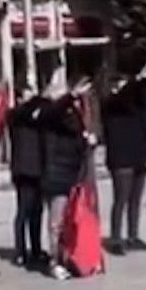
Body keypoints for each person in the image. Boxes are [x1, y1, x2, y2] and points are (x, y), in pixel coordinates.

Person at [38, 77, 92, 279]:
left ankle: (69, 256)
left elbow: (77, 135)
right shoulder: (49, 113)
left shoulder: (71, 114)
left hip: (72, 170)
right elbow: (55, 111)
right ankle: (55, 261)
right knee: (56, 221)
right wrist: (70, 96)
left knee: (71, 219)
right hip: (55, 172)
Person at [103, 65, 146, 252]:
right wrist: (137, 79)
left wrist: (144, 82)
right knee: (121, 199)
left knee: (135, 199)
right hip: (121, 158)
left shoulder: (134, 106)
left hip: (138, 155)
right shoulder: (111, 103)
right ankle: (116, 238)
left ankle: (133, 236)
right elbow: (124, 95)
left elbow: (145, 125)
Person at [7, 85, 45, 268]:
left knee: (37, 212)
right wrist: (38, 99)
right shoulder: (15, 115)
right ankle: (20, 251)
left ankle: (36, 249)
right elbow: (23, 111)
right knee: (23, 211)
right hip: (23, 170)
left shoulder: (36, 117)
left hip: (39, 169)